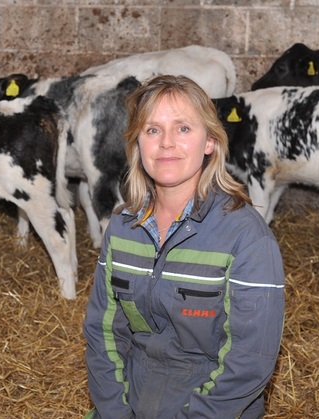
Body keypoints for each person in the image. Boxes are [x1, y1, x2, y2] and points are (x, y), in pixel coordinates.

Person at [83, 75, 285, 419]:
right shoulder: (121, 228)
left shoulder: (247, 238)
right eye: (152, 130)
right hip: (132, 398)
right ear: (137, 144)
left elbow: (249, 361)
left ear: (210, 142)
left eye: (183, 129)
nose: (166, 143)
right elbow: (103, 333)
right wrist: (115, 412)